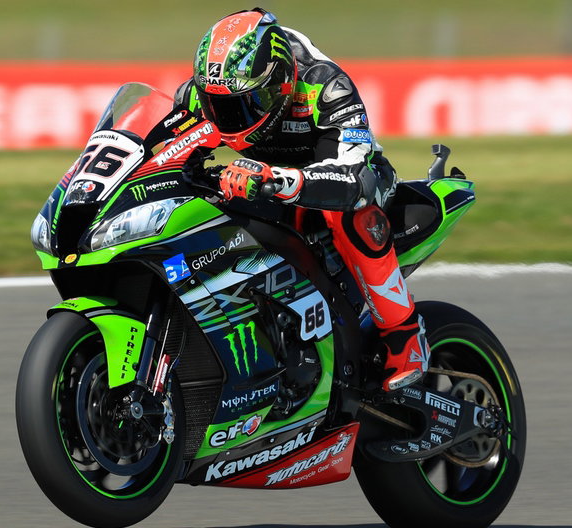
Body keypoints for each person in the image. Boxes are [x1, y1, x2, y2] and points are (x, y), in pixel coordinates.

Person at [173, 7, 428, 392]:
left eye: (245, 104)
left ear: (279, 83)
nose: (229, 118)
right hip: (266, 183)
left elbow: (354, 178)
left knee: (350, 212)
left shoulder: (325, 86)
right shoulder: (198, 95)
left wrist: (280, 178)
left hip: (347, 179)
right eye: (218, 105)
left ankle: (404, 336)